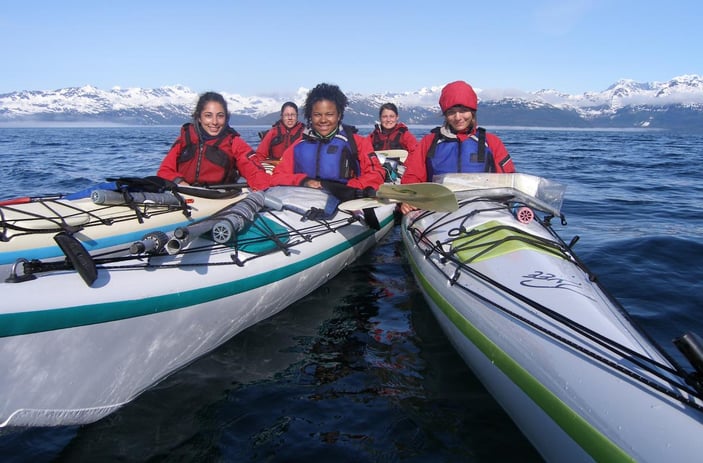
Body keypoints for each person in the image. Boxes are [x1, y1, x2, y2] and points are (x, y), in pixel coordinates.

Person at [400, 80, 515, 214]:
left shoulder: (491, 142)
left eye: (463, 111)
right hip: (438, 212)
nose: (458, 117)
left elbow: (509, 180)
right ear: (445, 114)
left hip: (484, 210)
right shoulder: (429, 142)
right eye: (451, 112)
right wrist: (407, 200)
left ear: (472, 112)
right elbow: (412, 176)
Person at [270, 83, 385, 201]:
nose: (323, 120)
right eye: (317, 115)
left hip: (346, 199)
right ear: (310, 116)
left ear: (339, 115)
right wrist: (303, 181)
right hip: (305, 201)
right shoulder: (298, 146)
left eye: (329, 114)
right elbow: (277, 177)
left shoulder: (357, 143)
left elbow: (377, 173)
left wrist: (349, 188)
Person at [157, 91, 270, 190]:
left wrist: (260, 191)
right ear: (199, 117)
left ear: (226, 118)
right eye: (208, 116)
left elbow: (255, 172)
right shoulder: (185, 138)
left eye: (220, 116)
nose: (214, 122)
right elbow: (165, 170)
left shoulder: (233, 142)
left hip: (218, 196)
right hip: (184, 192)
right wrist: (181, 183)